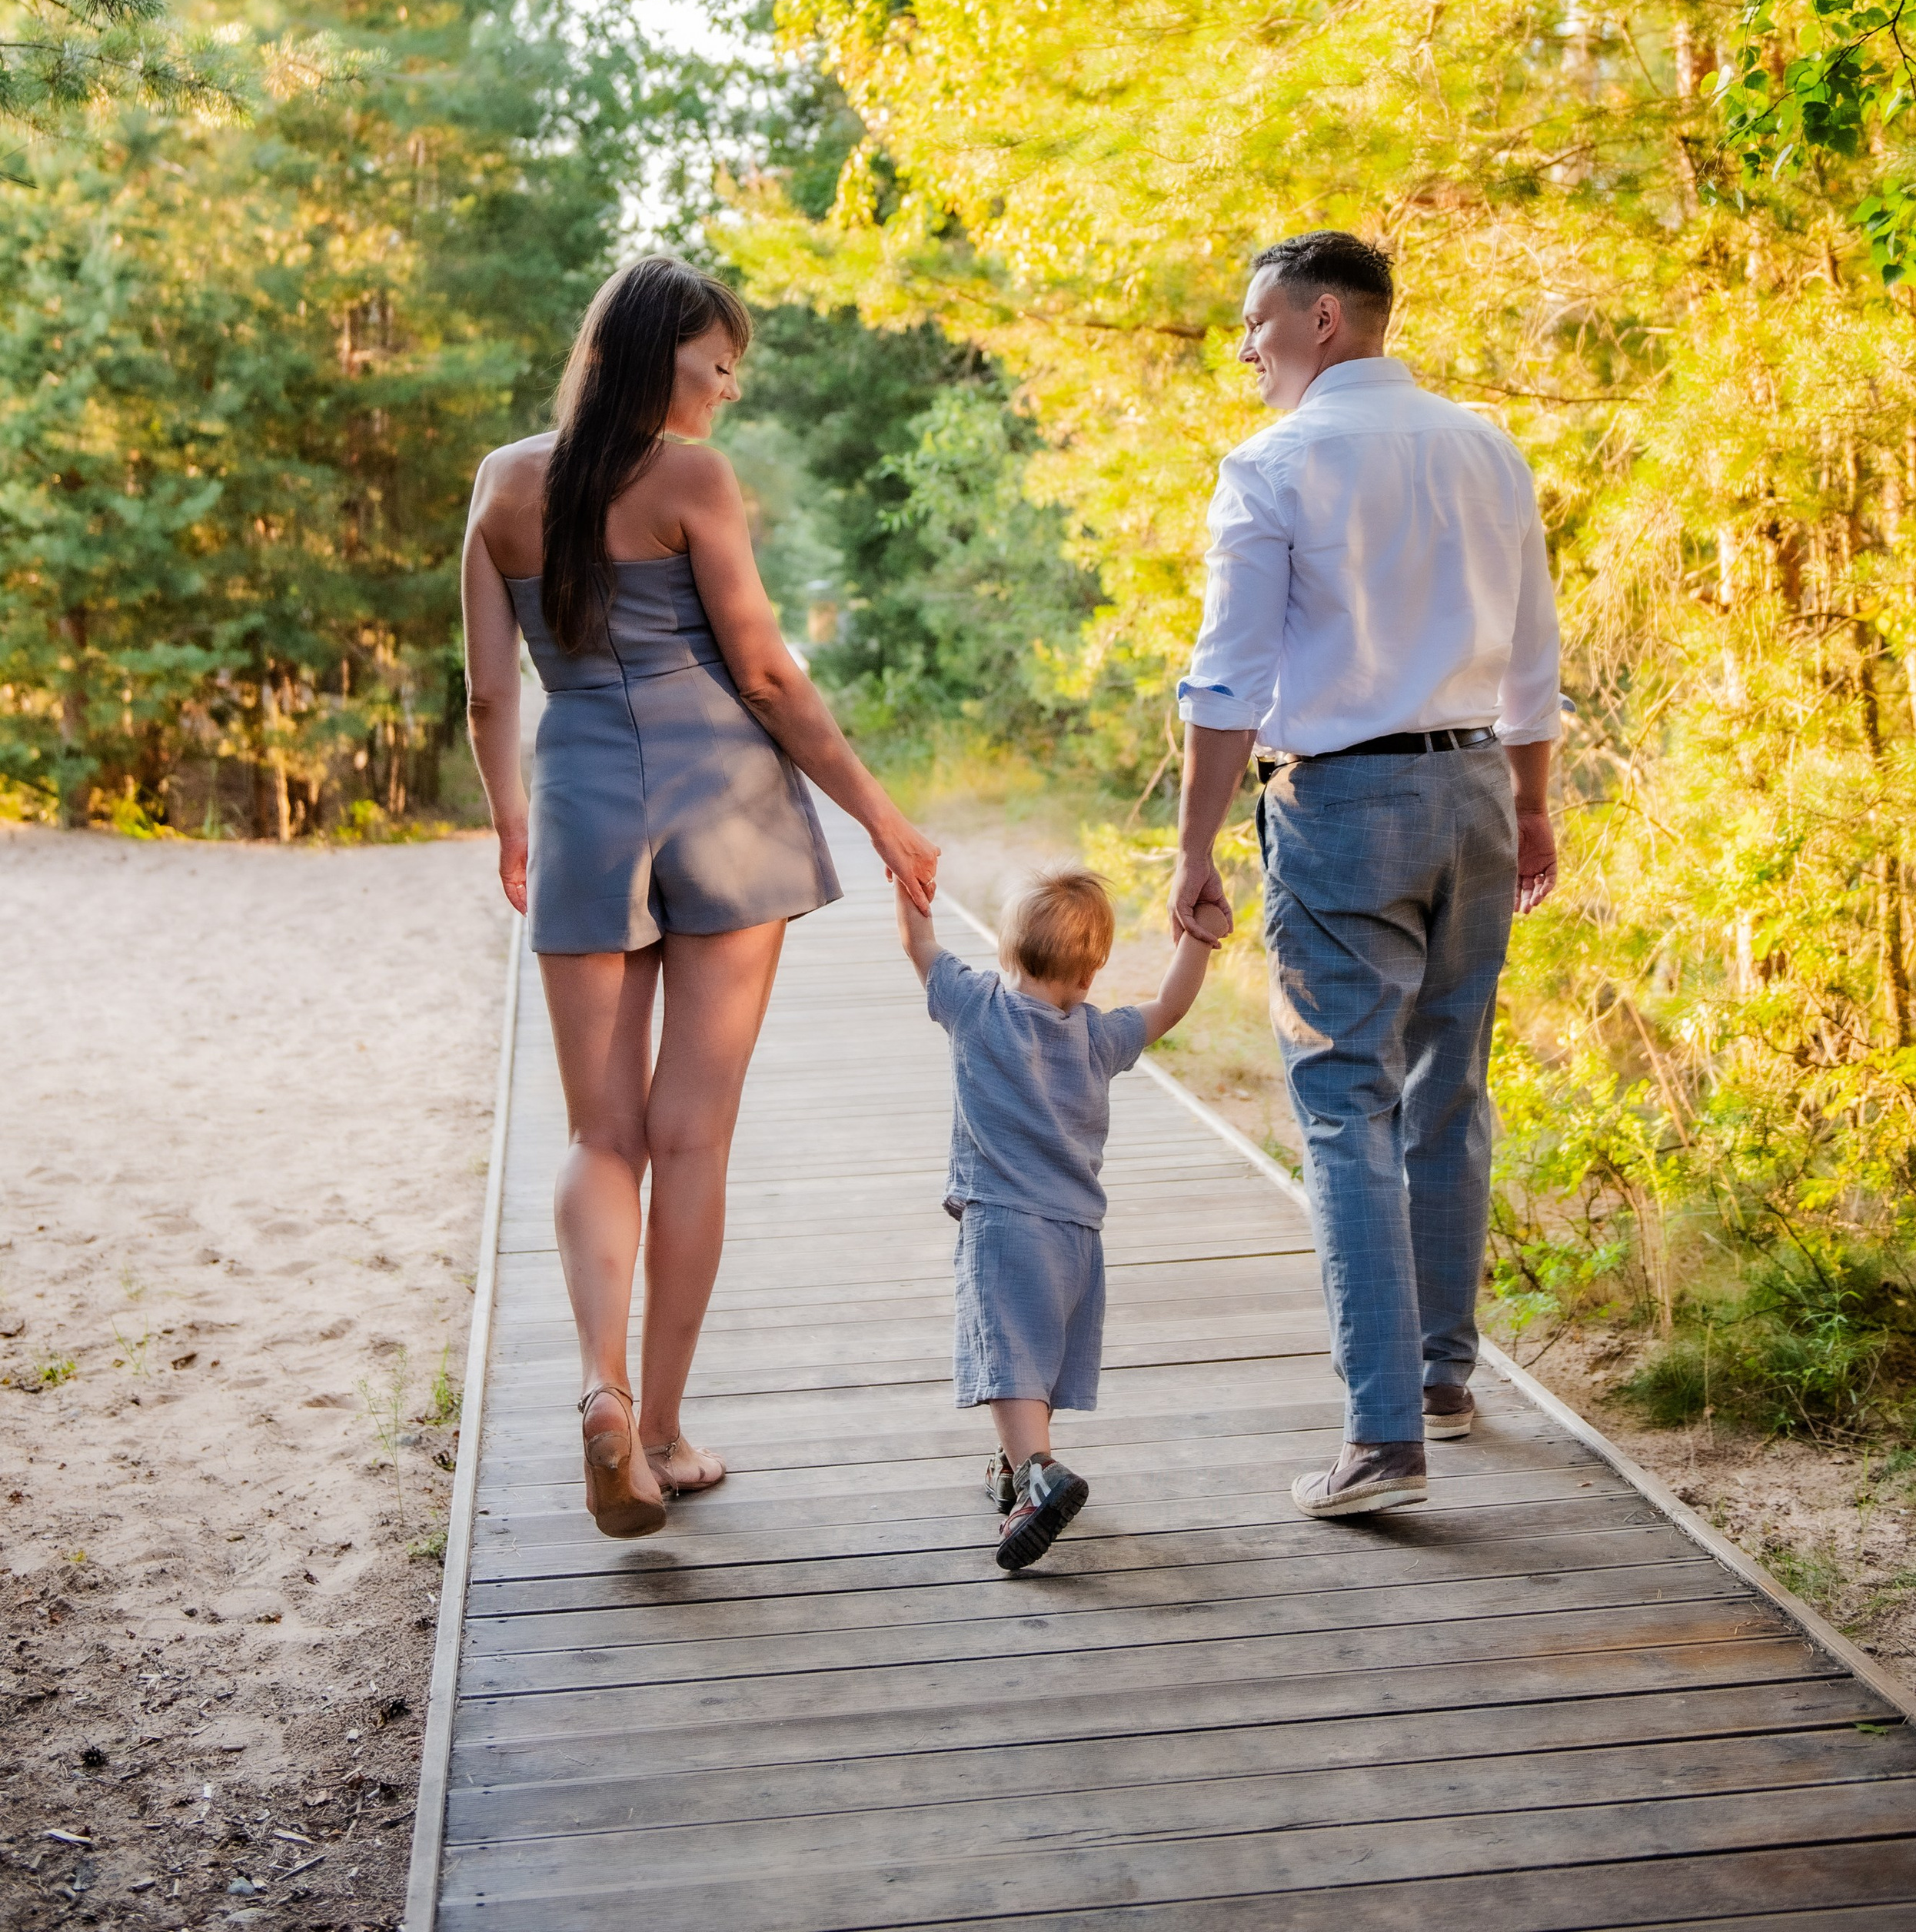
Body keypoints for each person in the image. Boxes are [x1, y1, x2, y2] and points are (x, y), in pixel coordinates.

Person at [461, 256, 939, 1539]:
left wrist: (515, 822)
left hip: (579, 803)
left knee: (597, 1135)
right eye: (714, 362)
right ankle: (661, 1431)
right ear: (657, 352)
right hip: (721, 799)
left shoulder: (507, 482)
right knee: (692, 1135)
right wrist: (881, 814)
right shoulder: (689, 477)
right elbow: (770, 677)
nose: (726, 387)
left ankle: (601, 1391)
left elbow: (492, 693)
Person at [1169, 229, 1561, 1521]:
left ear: (1325, 320)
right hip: (1477, 792)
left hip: (1344, 802)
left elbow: (1227, 676)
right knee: (1449, 1084)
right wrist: (1534, 801)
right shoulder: (1485, 445)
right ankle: (1443, 1376)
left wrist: (1195, 847)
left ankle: (1383, 1433)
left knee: (1345, 1103)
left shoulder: (1272, 464)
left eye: (1257, 320)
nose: (1245, 345)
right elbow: (1533, 655)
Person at [895, 869, 1214, 1571]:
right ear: (1093, 972)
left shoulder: (977, 1007)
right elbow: (1168, 1005)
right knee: (1037, 1356)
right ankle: (1016, 1476)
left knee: (1007, 1361)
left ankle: (1040, 1475)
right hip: (1077, 1238)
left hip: (1004, 1225)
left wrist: (907, 884)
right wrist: (1199, 938)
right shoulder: (1098, 1038)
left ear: (1007, 951)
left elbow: (920, 946)